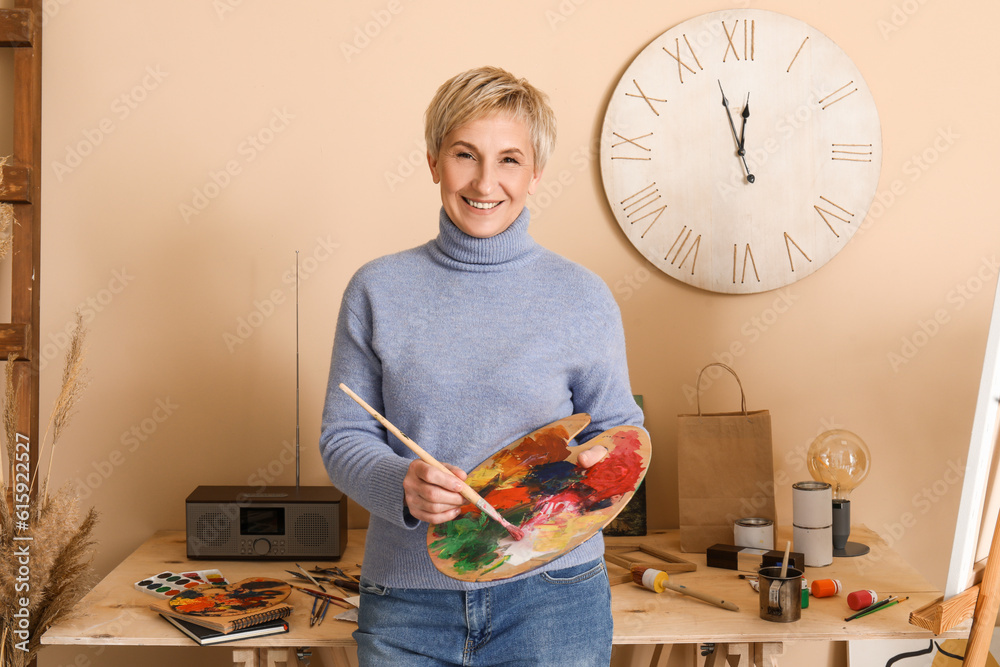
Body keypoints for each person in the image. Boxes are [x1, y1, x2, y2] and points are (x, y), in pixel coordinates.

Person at [320, 65, 644, 666]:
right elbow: (343, 437)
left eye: (510, 160)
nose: (485, 181)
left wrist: (602, 459)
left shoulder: (582, 295)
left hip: (554, 598)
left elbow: (620, 428)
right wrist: (402, 485)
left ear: (536, 174)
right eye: (465, 154)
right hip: (408, 601)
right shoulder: (377, 289)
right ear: (433, 162)